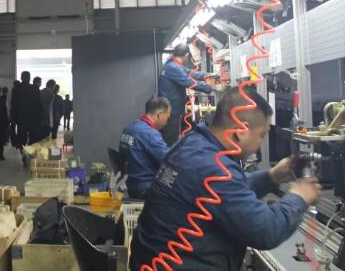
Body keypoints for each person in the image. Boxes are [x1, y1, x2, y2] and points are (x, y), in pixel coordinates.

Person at [130, 87, 322, 271]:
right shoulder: (213, 167)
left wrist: (271, 177)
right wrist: (299, 196)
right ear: (241, 130)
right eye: (261, 135)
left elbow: (220, 191)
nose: (260, 144)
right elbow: (266, 230)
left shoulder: (193, 145)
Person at [158, 43, 217, 146]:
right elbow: (189, 82)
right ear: (186, 55)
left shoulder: (173, 65)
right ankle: (168, 156)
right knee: (170, 140)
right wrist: (210, 87)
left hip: (172, 109)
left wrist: (207, 75)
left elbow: (190, 73)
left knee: (173, 138)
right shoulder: (173, 67)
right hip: (171, 111)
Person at [119, 96, 172, 199]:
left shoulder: (130, 128)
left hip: (131, 184)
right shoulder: (149, 134)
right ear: (159, 115)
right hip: (146, 188)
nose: (166, 122)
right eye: (167, 117)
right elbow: (168, 161)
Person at [12, 71, 41, 153]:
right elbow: (38, 104)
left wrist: (14, 118)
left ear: (21, 78)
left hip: (20, 118)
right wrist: (39, 117)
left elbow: (13, 104)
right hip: (33, 118)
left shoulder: (16, 89)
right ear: (29, 78)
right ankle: (31, 153)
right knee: (33, 137)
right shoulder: (35, 88)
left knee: (22, 137)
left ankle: (23, 155)